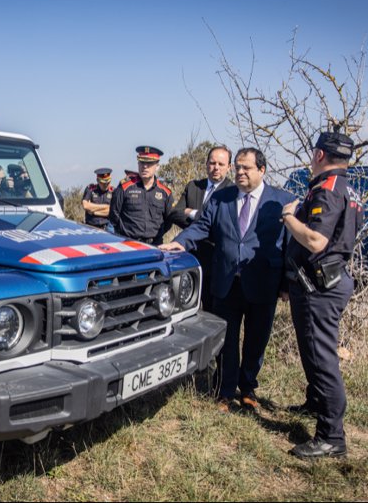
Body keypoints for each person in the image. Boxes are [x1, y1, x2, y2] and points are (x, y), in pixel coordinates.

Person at [159, 148, 295, 412]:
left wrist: (287, 283)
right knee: (227, 341)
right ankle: (225, 390)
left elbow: (289, 244)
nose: (240, 172)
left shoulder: (281, 201)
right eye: (238, 168)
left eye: (247, 168)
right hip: (226, 282)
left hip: (262, 283)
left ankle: (248, 390)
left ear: (262, 170)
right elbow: (202, 226)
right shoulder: (221, 198)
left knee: (256, 341)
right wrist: (179, 242)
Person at [282, 130, 363, 459]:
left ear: (319, 155)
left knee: (322, 358)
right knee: (314, 351)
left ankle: (331, 436)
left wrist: (288, 217)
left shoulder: (328, 190)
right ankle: (316, 402)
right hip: (324, 282)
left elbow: (316, 241)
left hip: (321, 286)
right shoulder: (347, 186)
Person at [168, 145, 233, 311]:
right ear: (206, 164)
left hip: (215, 262)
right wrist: (201, 225)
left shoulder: (232, 192)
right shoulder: (194, 187)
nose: (216, 168)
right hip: (190, 257)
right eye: (212, 163)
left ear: (229, 167)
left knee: (212, 311)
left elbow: (221, 224)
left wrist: (193, 213)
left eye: (221, 164)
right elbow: (175, 213)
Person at [109, 146, 174, 245]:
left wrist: (156, 235)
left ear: (157, 166)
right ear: (138, 163)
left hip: (155, 245)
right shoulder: (124, 188)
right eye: (142, 162)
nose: (145, 166)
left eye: (150, 163)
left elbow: (169, 221)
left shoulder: (165, 193)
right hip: (129, 244)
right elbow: (114, 215)